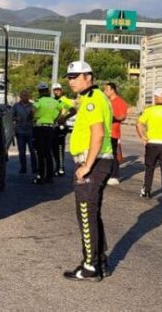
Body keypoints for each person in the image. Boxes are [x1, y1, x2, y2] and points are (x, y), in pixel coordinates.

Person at [62, 61, 114, 282]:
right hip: (96, 162)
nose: (71, 81)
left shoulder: (93, 99)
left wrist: (87, 166)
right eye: (69, 77)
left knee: (85, 213)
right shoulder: (89, 98)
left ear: (88, 77)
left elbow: (98, 134)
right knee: (92, 214)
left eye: (75, 76)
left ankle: (90, 266)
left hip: (93, 163)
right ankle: (99, 261)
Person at [31, 82, 65, 185]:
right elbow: (61, 110)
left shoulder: (39, 101)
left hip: (39, 128)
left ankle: (41, 176)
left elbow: (32, 111)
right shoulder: (53, 101)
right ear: (47, 91)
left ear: (39, 91)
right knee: (48, 153)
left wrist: (33, 118)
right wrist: (55, 119)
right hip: (50, 128)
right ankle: (50, 177)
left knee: (40, 153)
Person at [103, 82, 128, 186]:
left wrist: (113, 117)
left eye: (106, 90)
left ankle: (114, 176)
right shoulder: (106, 101)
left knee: (114, 155)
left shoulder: (120, 102)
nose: (104, 92)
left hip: (114, 133)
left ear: (112, 90)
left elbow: (122, 116)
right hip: (104, 133)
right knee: (105, 155)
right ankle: (106, 174)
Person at [52, 83, 76, 177]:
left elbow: (73, 110)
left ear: (61, 90)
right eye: (55, 90)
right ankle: (57, 167)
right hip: (53, 126)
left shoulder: (64, 100)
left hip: (61, 127)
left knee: (60, 148)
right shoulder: (53, 100)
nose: (57, 91)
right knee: (53, 149)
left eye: (58, 89)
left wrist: (65, 118)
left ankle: (61, 169)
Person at [12, 89, 37, 174]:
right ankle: (23, 168)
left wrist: (34, 117)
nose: (25, 97)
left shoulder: (33, 105)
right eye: (23, 95)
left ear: (28, 96)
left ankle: (34, 168)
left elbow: (37, 116)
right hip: (20, 132)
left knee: (33, 151)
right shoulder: (16, 106)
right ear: (20, 97)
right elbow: (11, 116)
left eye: (26, 95)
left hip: (31, 131)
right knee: (22, 152)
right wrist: (16, 118)